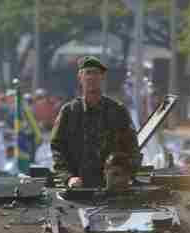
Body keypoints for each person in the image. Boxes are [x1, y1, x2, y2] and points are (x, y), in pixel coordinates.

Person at [50, 56, 139, 188]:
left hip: (111, 188)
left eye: (96, 73)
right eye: (88, 73)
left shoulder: (117, 111)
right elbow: (57, 148)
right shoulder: (69, 111)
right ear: (80, 77)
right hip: (78, 188)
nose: (91, 77)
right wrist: (68, 177)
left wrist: (126, 175)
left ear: (102, 77)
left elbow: (132, 148)